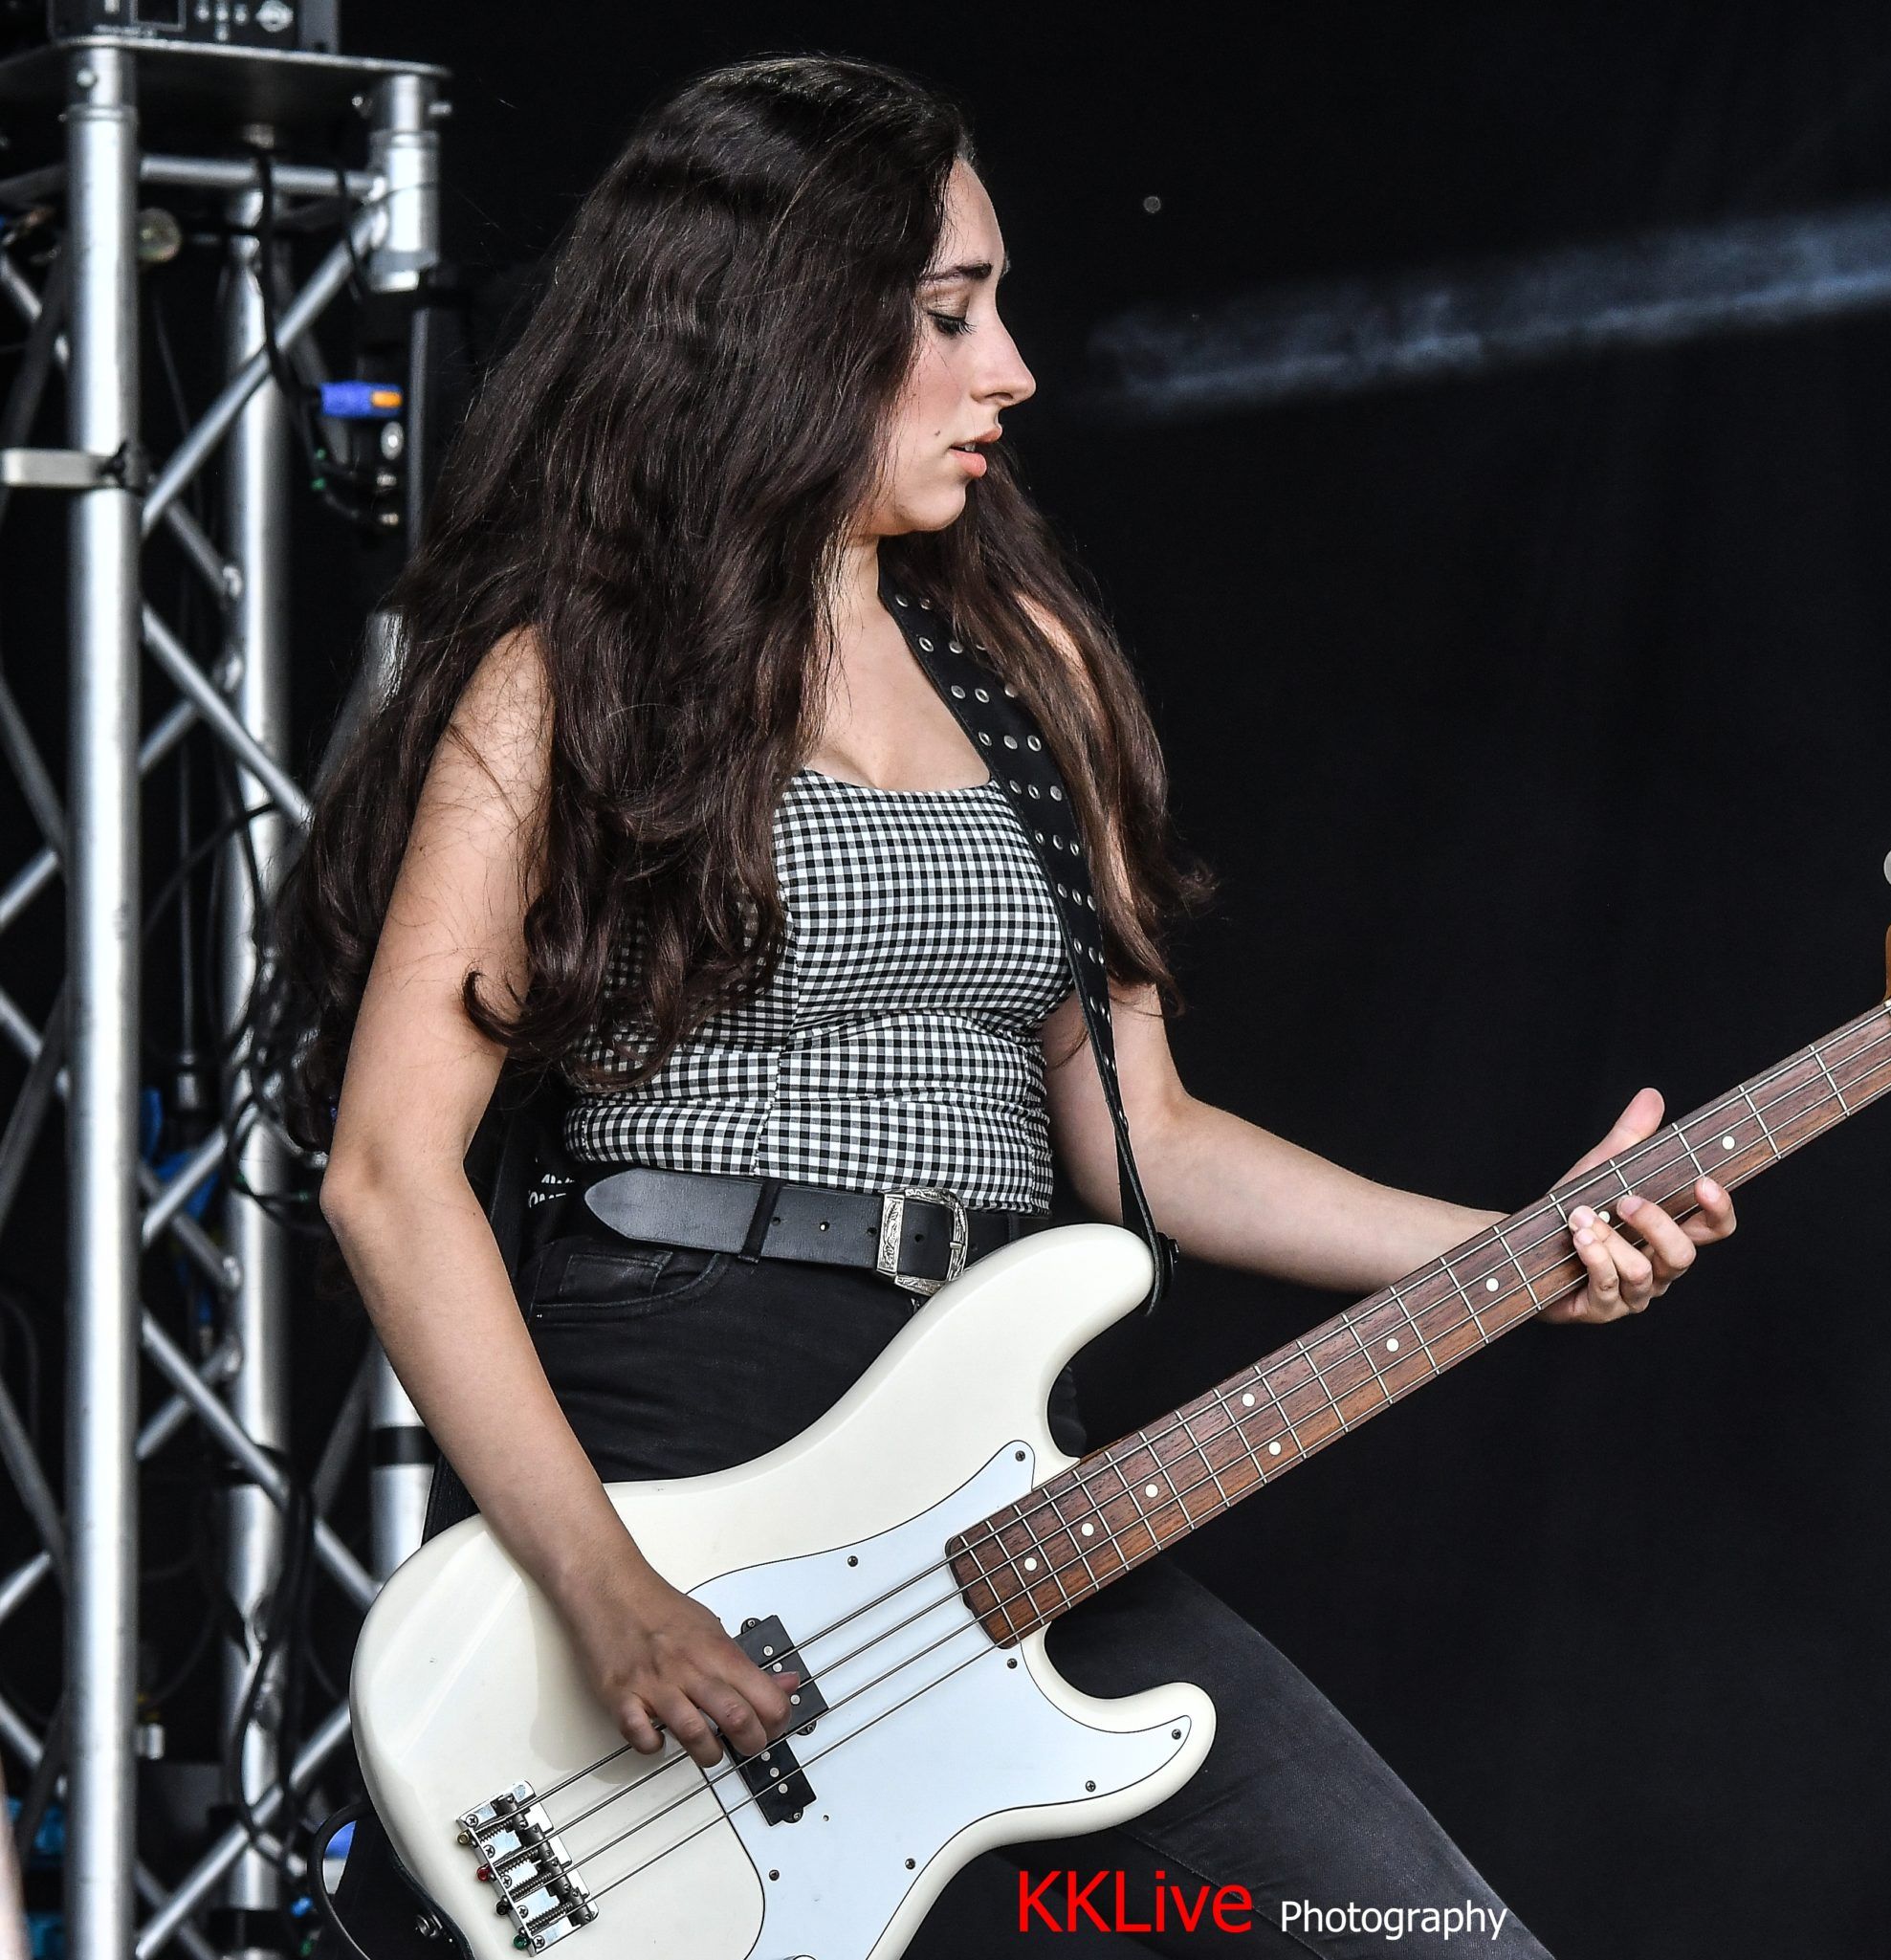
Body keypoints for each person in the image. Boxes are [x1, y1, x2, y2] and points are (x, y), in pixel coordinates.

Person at [260, 53, 1737, 1958]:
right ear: (786, 325)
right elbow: (388, 1171)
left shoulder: (1023, 659)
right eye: (950, 312)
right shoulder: (571, 679)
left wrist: (1512, 1246)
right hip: (674, 1431)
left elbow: (1147, 1131)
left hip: (991, 1474)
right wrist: (607, 1587)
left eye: (998, 308)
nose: (1012, 369)